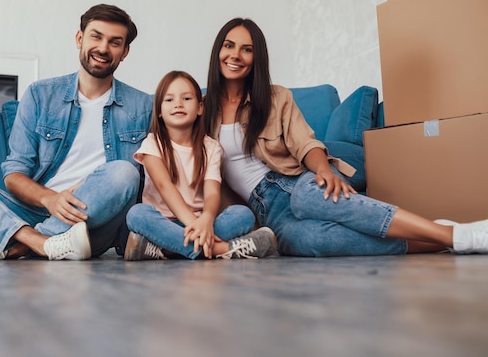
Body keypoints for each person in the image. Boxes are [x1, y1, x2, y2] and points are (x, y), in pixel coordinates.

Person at [202, 17, 488, 257]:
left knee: (306, 196)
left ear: (257, 57)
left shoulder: (276, 97)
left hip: (292, 183)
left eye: (246, 49)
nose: (235, 55)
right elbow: (208, 178)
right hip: (268, 213)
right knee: (307, 240)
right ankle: (441, 239)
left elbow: (306, 144)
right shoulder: (203, 113)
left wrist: (325, 170)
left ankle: (457, 234)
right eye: (229, 46)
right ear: (217, 50)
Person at [0, 4, 153, 260]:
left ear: (125, 52)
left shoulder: (143, 107)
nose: (103, 48)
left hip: (88, 223)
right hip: (31, 210)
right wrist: (50, 199)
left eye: (114, 42)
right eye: (96, 36)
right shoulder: (40, 95)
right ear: (79, 38)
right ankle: (38, 242)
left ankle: (11, 244)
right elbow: (14, 175)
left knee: (125, 173)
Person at [124, 70, 277, 260]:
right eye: (169, 100)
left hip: (202, 224)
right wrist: (193, 225)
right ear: (160, 111)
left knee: (243, 214)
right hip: (164, 224)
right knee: (136, 214)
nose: (178, 104)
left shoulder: (211, 147)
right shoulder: (152, 144)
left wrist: (206, 219)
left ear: (200, 108)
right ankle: (223, 249)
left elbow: (213, 192)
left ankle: (165, 249)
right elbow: (165, 186)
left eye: (186, 98)